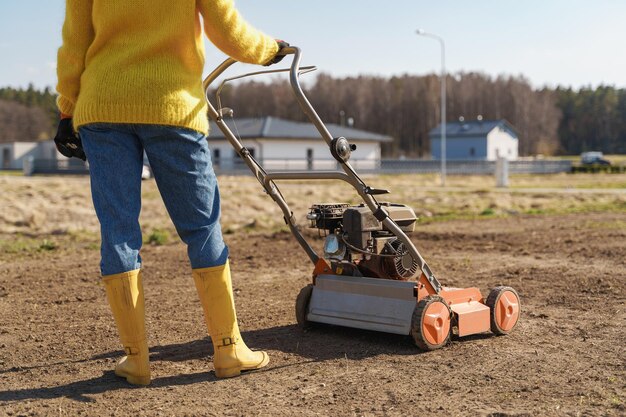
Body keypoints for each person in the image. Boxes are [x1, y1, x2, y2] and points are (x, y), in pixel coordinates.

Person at [54, 0, 287, 386]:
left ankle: (136, 359)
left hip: (103, 106)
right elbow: (228, 31)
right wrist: (270, 50)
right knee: (202, 228)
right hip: (172, 105)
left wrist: (67, 109)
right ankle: (228, 349)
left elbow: (74, 43)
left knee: (117, 229)